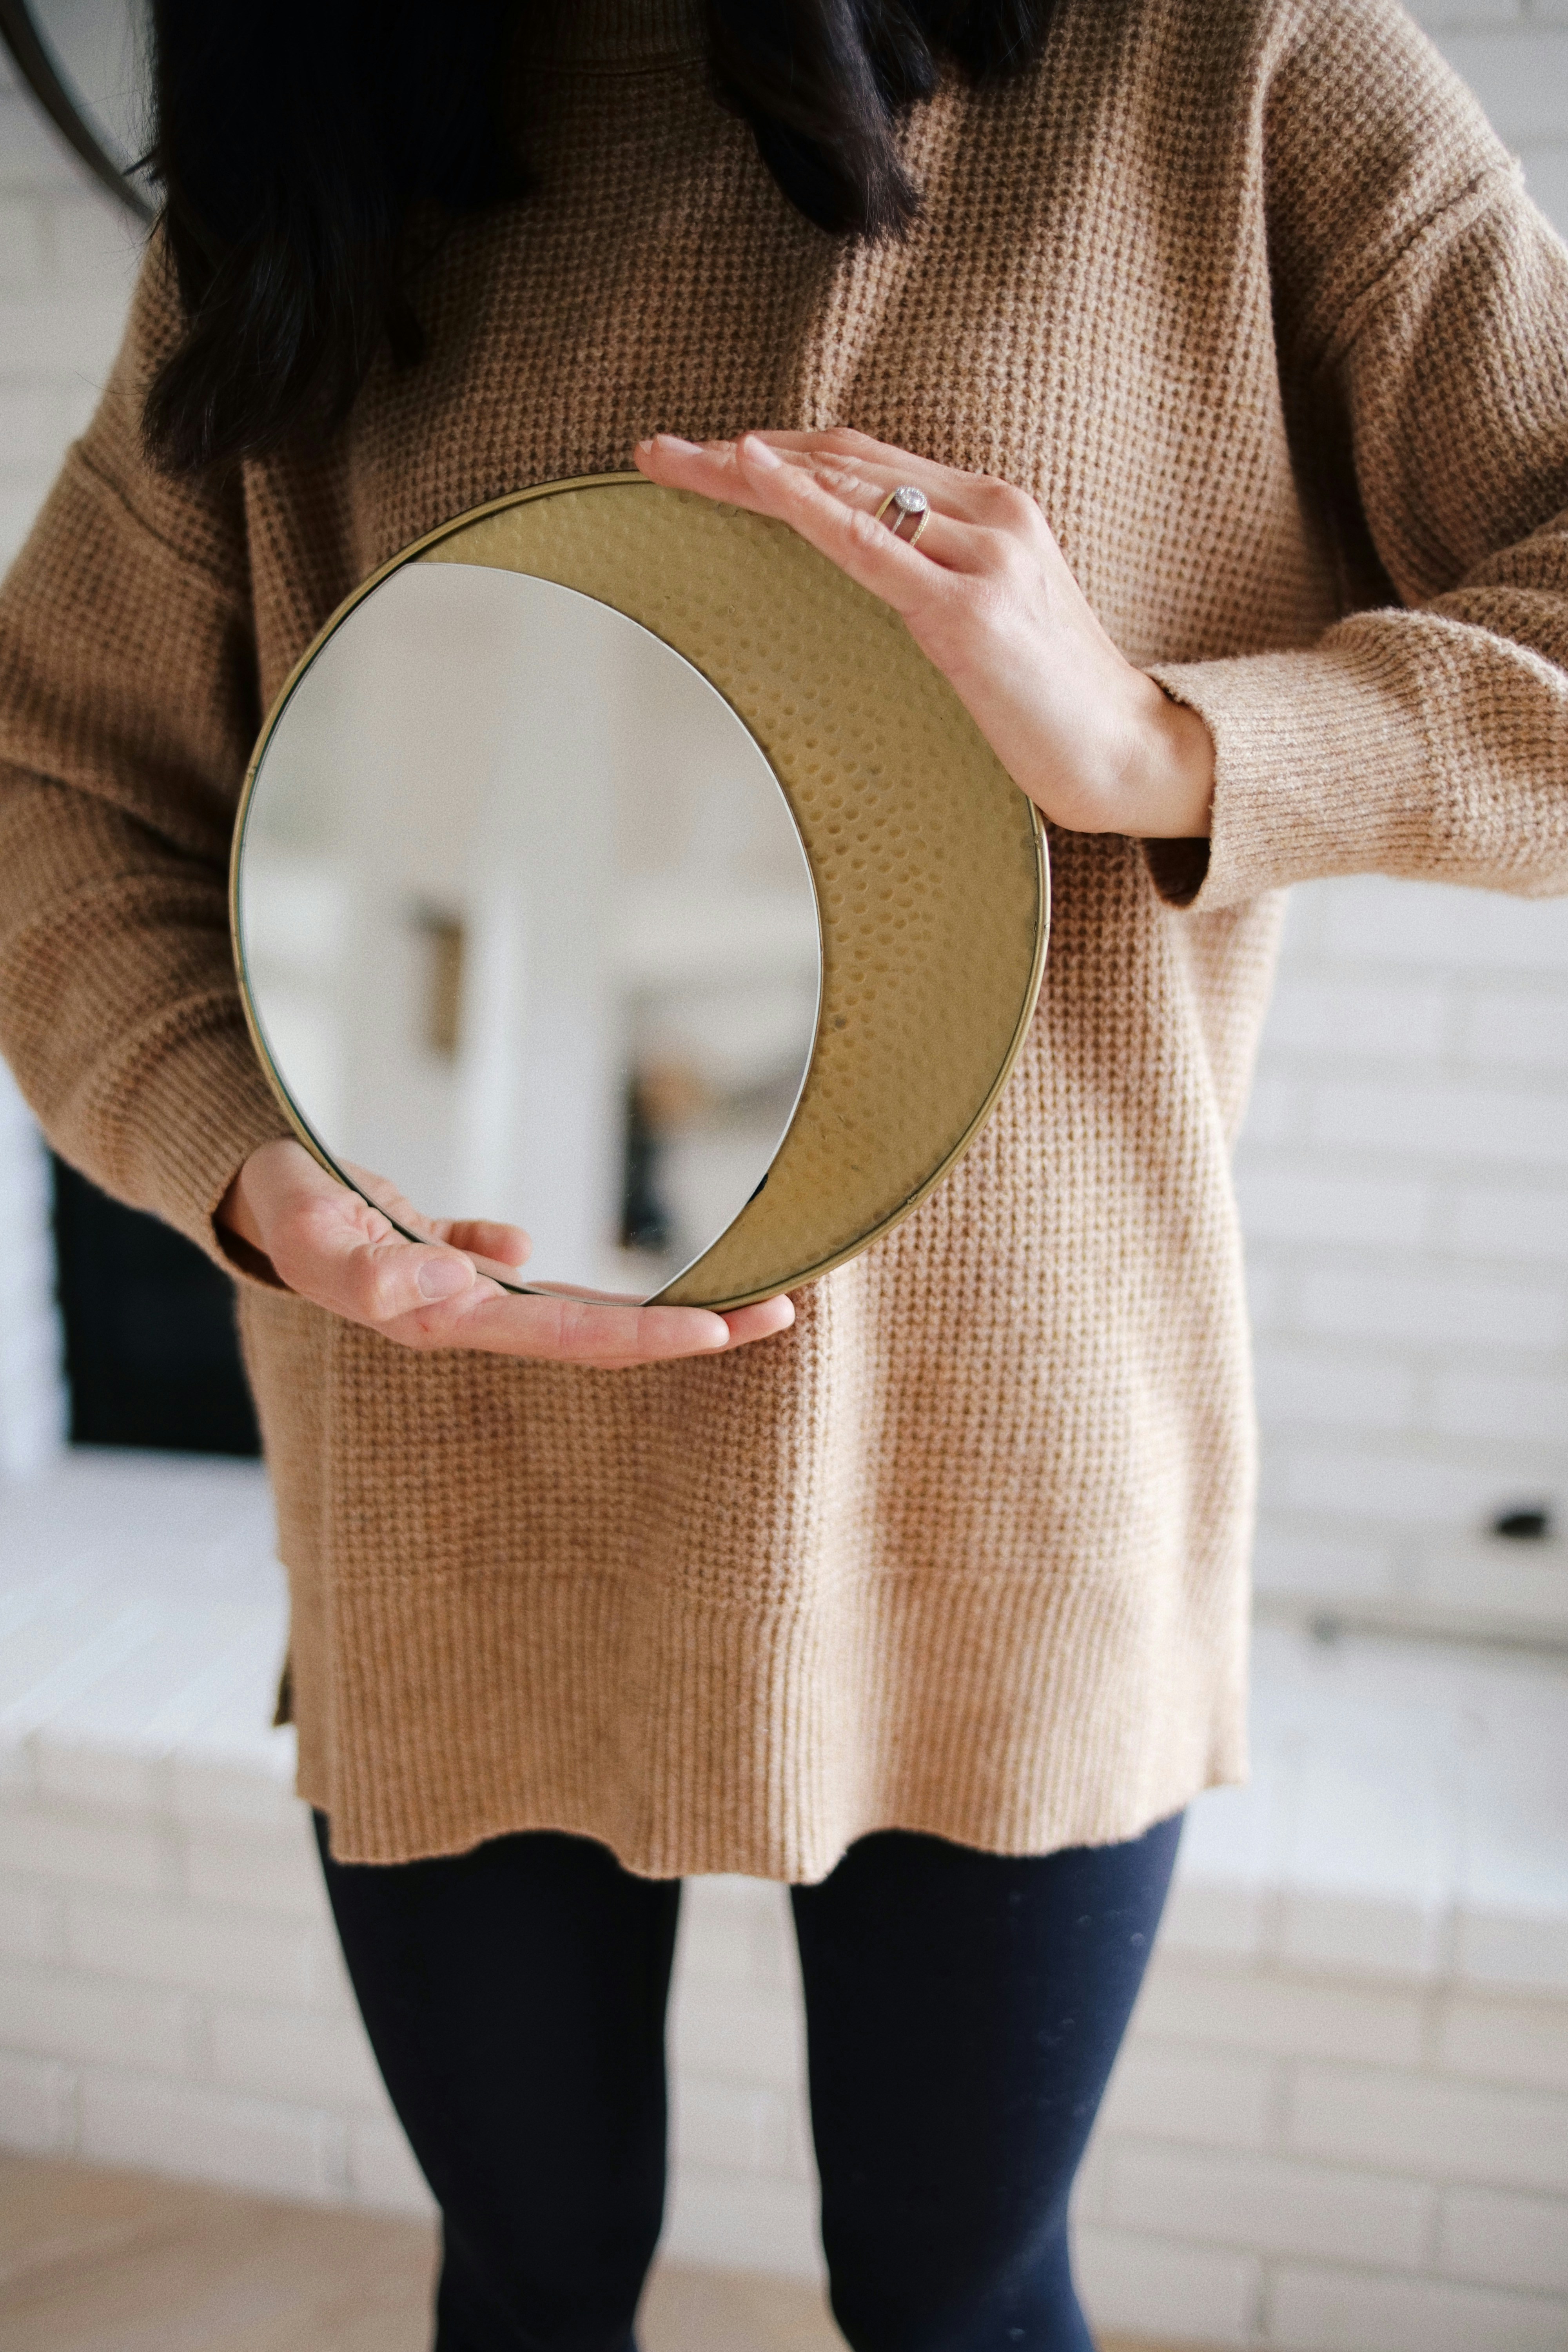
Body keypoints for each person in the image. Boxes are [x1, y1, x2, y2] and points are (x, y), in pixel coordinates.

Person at [2, 1, 1565, 2344]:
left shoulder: (1233, 66)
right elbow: (55, 783)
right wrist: (242, 1161)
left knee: (953, 2292)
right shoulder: (326, 137)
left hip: (1011, 1487)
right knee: (529, 2279)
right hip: (455, 1473)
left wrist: (1166, 739)